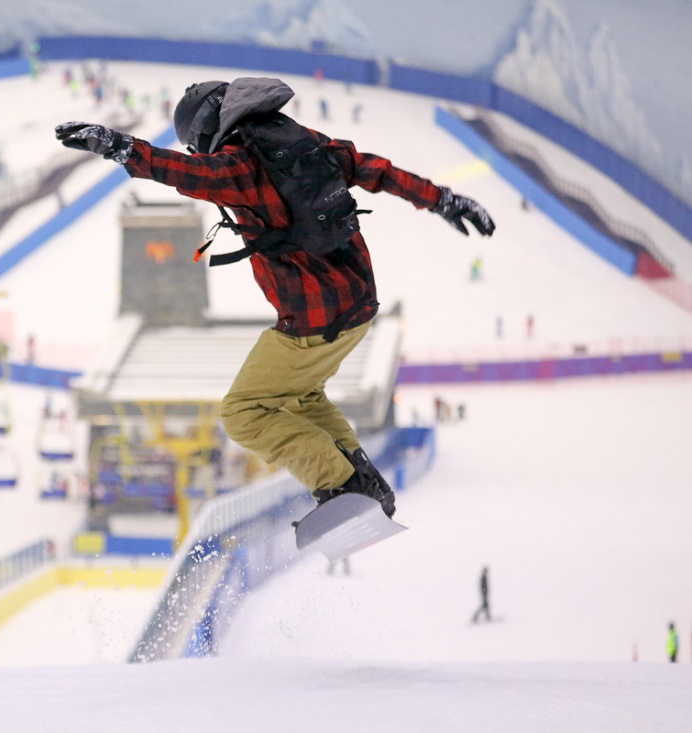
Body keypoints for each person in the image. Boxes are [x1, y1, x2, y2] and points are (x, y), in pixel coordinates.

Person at [55, 77, 495, 518]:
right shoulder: (307, 143)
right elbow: (375, 169)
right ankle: (362, 479)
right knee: (302, 396)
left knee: (244, 413)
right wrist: (441, 199)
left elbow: (182, 173)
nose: (198, 152)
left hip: (311, 320)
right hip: (359, 306)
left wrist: (120, 146)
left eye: (195, 143)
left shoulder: (239, 166)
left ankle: (340, 484)